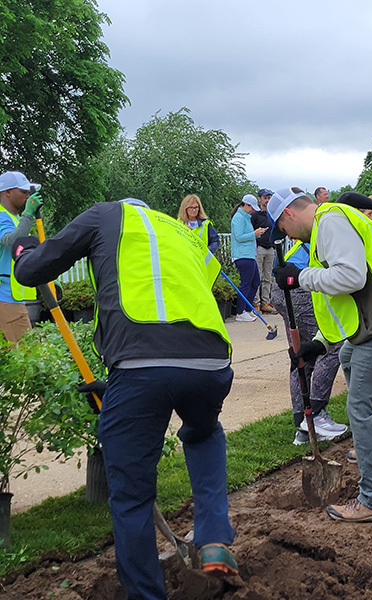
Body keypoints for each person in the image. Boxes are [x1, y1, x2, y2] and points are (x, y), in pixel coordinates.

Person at [12, 198, 238, 599]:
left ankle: (146, 595)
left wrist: (23, 247)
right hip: (210, 361)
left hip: (139, 366)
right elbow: (181, 295)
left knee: (132, 496)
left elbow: (31, 272)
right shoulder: (181, 231)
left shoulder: (104, 214)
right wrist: (121, 382)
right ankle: (215, 536)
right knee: (203, 433)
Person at [269, 187, 372, 523]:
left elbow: (350, 278)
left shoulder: (330, 223)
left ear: (288, 215)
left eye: (282, 229)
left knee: (360, 405)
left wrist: (300, 277)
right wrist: (319, 344)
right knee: (348, 358)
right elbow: (339, 305)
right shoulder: (326, 227)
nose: (287, 237)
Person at [270, 237, 348, 445]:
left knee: (301, 353)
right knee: (328, 346)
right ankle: (315, 414)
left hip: (283, 288)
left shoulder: (313, 233)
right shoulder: (331, 232)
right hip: (300, 288)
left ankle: (304, 425)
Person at [0, 171, 42, 344]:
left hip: (11, 299)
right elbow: (12, 242)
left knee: (12, 362)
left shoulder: (14, 218)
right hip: (6, 299)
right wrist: (30, 214)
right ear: (7, 192)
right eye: (23, 192)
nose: (28, 196)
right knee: (28, 356)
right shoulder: (2, 217)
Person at [230, 194, 266, 322]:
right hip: (242, 255)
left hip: (248, 254)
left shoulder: (245, 217)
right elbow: (238, 237)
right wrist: (254, 234)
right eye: (251, 207)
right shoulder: (239, 218)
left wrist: (255, 234)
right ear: (245, 205)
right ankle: (240, 311)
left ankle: (248, 309)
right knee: (246, 283)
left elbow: (244, 235)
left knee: (255, 281)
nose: (252, 210)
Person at [251, 188, 278, 314]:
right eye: (265, 198)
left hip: (270, 247)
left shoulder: (272, 214)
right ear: (260, 199)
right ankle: (256, 303)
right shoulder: (255, 215)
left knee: (268, 277)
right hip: (259, 248)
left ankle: (265, 302)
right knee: (258, 276)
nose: (267, 200)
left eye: (269, 198)